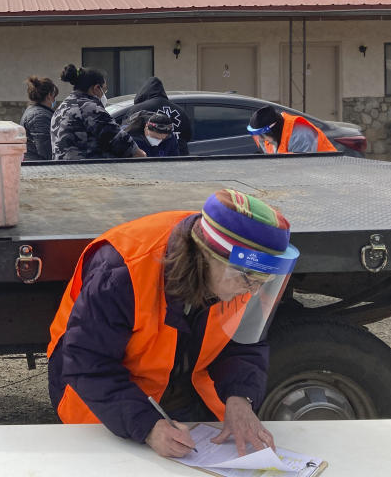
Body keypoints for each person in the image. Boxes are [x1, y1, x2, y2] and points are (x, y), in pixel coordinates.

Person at [48, 189, 300, 459]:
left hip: (180, 391)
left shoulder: (241, 277)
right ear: (206, 257)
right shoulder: (123, 269)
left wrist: (240, 398)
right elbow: (87, 363)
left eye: (263, 282)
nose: (251, 292)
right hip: (104, 401)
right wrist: (147, 426)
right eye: (247, 279)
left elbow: (242, 343)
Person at [51, 64, 145, 160]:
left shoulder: (61, 108)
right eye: (104, 89)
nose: (105, 93)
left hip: (61, 171)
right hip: (88, 172)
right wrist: (142, 156)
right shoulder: (91, 109)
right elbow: (122, 143)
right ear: (96, 88)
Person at [126, 76, 193, 155]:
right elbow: (188, 135)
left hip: (147, 160)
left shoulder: (138, 109)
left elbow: (126, 130)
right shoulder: (180, 111)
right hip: (181, 160)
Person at [247, 105, 336, 154]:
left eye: (262, 135)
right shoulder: (268, 138)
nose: (260, 139)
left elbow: (298, 169)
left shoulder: (299, 135)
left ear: (274, 129)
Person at [20, 75, 58, 161]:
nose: (54, 100)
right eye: (54, 96)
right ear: (49, 95)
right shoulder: (39, 117)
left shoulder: (34, 111)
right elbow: (47, 151)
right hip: (39, 167)